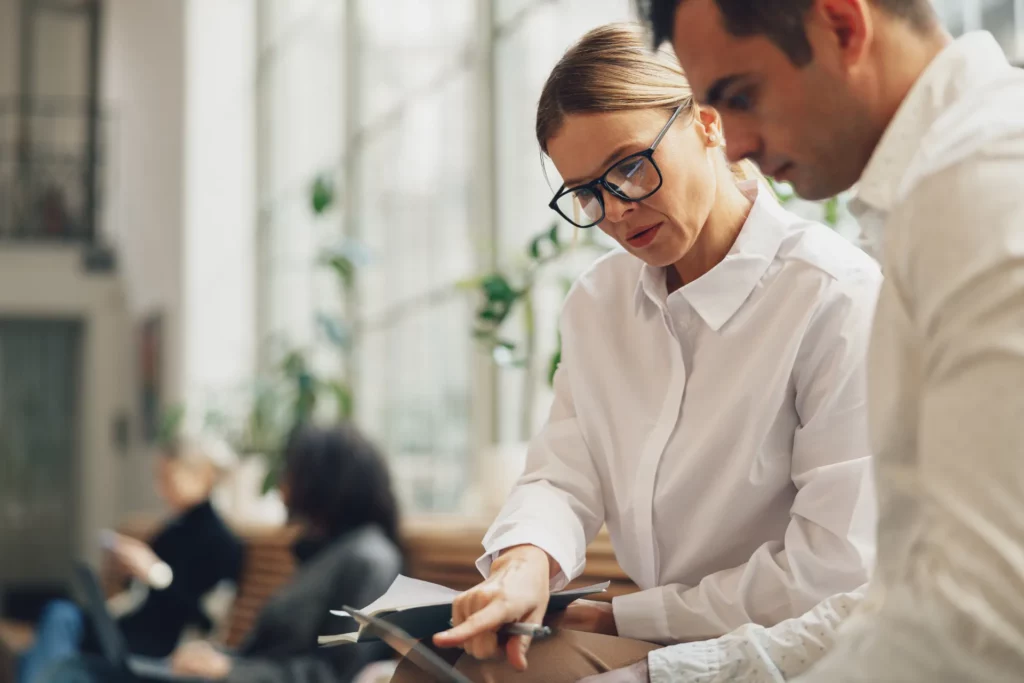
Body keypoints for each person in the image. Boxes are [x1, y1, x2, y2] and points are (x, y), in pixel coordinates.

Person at [395, 22, 881, 683]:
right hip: (654, 631)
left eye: (629, 166)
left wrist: (634, 614)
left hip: (786, 646)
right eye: (589, 192)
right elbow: (566, 471)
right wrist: (524, 563)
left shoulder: (832, 297)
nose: (617, 210)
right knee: (436, 667)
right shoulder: (599, 302)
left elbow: (828, 572)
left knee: (500, 675)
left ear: (709, 123)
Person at [596, 1, 1024, 681]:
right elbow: (901, 598)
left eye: (741, 95)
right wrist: (670, 676)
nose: (733, 145)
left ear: (844, 27)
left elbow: (984, 624)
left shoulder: (977, 189)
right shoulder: (937, 191)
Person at [41, 423, 404, 683]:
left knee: (74, 671)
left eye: (292, 473)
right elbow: (269, 653)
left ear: (326, 481)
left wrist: (228, 669)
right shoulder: (328, 554)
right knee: (70, 662)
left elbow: (335, 673)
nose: (282, 486)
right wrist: (219, 660)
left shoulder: (368, 559)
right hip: (225, 671)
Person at [15, 435, 245, 683]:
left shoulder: (224, 544)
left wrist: (156, 574)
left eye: (169, 478)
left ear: (202, 475)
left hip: (159, 652)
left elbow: (206, 621)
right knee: (60, 615)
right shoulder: (171, 532)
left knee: (56, 660)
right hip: (127, 637)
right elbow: (142, 598)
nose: (161, 488)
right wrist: (129, 574)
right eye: (160, 478)